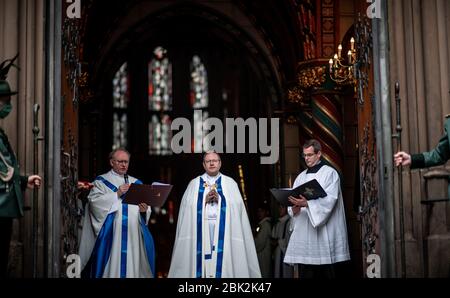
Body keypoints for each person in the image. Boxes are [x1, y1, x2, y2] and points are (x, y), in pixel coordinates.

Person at [168, 151, 261, 278]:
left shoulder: (230, 184)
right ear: (203, 164)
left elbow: (237, 210)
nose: (211, 163)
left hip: (225, 233)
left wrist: (221, 200)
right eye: (208, 161)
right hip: (201, 231)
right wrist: (202, 201)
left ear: (220, 163)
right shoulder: (194, 184)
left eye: (215, 160)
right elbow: (187, 210)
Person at [78, 148, 155, 278]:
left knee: (133, 266)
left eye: (126, 162)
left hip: (132, 234)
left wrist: (144, 210)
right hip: (112, 236)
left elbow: (146, 208)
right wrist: (117, 193)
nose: (124, 165)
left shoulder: (137, 183)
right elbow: (94, 203)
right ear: (111, 162)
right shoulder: (101, 182)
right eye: (120, 162)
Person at [284, 139, 350, 278]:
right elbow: (294, 206)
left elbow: (330, 200)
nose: (306, 158)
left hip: (324, 237)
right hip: (304, 236)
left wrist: (308, 204)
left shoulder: (330, 174)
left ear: (319, 154)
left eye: (310, 155)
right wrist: (294, 208)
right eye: (304, 155)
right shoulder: (300, 177)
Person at [0, 70, 42, 278]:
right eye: (5, 100)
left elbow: (4, 168)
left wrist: (25, 181)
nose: (8, 105)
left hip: (5, 208)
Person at [272, 205, 294, 278]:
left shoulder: (289, 222)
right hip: (277, 254)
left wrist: (278, 241)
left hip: (285, 254)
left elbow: (290, 241)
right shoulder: (278, 223)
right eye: (279, 207)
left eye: (282, 207)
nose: (280, 209)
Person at [254, 205, 272, 278]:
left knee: (264, 273)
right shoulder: (261, 224)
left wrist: (253, 249)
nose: (259, 213)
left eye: (261, 211)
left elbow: (260, 243)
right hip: (261, 254)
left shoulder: (265, 224)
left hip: (263, 254)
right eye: (258, 211)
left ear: (266, 212)